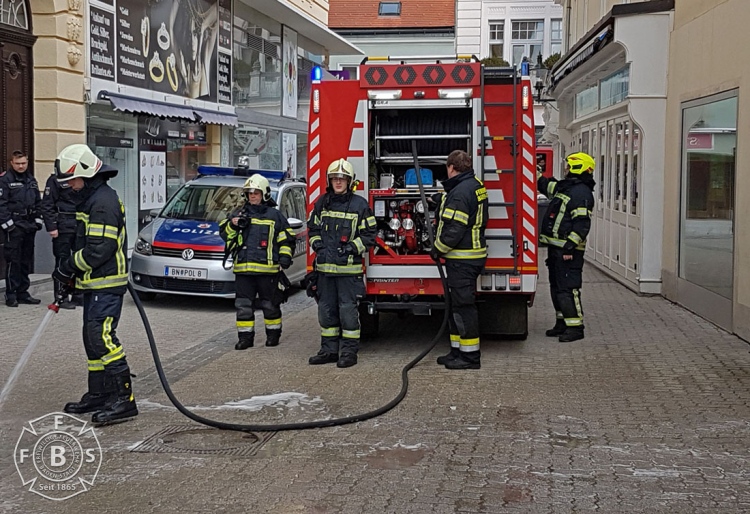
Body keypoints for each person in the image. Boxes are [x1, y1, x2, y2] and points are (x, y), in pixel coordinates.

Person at [51, 144, 137, 424]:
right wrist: (71, 273)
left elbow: (100, 249)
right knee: (92, 340)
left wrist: (68, 266)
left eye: (72, 181)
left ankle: (124, 399)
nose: (71, 187)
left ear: (86, 174)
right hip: (93, 283)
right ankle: (99, 393)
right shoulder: (91, 199)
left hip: (106, 284)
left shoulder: (102, 202)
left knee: (102, 338)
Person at [307, 158, 376, 368]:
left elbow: (370, 235)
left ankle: (349, 352)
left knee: (348, 312)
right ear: (330, 181)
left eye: (342, 179)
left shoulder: (359, 205)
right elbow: (313, 229)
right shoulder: (322, 202)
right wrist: (318, 246)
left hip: (348, 271)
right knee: (326, 312)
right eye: (335, 179)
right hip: (325, 272)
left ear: (350, 181)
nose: (338, 182)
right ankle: (328, 350)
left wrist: (351, 248)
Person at [219, 174, 295, 350]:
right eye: (249, 192)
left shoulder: (275, 216)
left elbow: (286, 239)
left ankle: (273, 335)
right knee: (243, 306)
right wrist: (233, 224)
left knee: (270, 305)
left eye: (256, 192)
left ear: (265, 194)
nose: (252, 196)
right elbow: (224, 235)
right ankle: (245, 339)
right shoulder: (238, 214)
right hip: (243, 271)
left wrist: (284, 258)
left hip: (268, 271)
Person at [431, 150, 488, 370]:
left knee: (463, 307)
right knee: (456, 306)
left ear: (451, 168)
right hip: (470, 257)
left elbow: (454, 229)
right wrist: (437, 198)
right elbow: (457, 201)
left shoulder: (460, 192)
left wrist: (438, 249)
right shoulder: (474, 184)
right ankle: (457, 351)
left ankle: (470, 357)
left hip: (462, 259)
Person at [537, 152, 596, 343]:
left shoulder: (581, 193)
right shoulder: (568, 188)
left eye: (569, 166)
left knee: (568, 289)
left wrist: (570, 247)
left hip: (568, 251)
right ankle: (562, 323)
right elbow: (548, 187)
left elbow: (582, 224)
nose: (566, 169)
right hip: (557, 249)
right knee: (557, 288)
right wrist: (537, 175)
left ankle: (575, 327)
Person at [0, 150, 43, 307]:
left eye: (23, 163)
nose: (21, 166)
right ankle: (11, 294)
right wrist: (8, 224)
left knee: (26, 261)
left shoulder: (31, 179)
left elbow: (38, 202)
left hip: (29, 225)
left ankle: (23, 292)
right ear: (12, 163)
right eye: (18, 163)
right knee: (13, 261)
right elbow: (1, 205)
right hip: (14, 226)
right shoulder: (5, 180)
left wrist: (38, 220)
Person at [41, 170, 82, 309]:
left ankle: (78, 294)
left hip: (79, 223)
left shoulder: (80, 177)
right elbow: (47, 205)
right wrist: (51, 227)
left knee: (80, 260)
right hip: (63, 225)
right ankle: (61, 297)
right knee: (62, 261)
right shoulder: (55, 179)